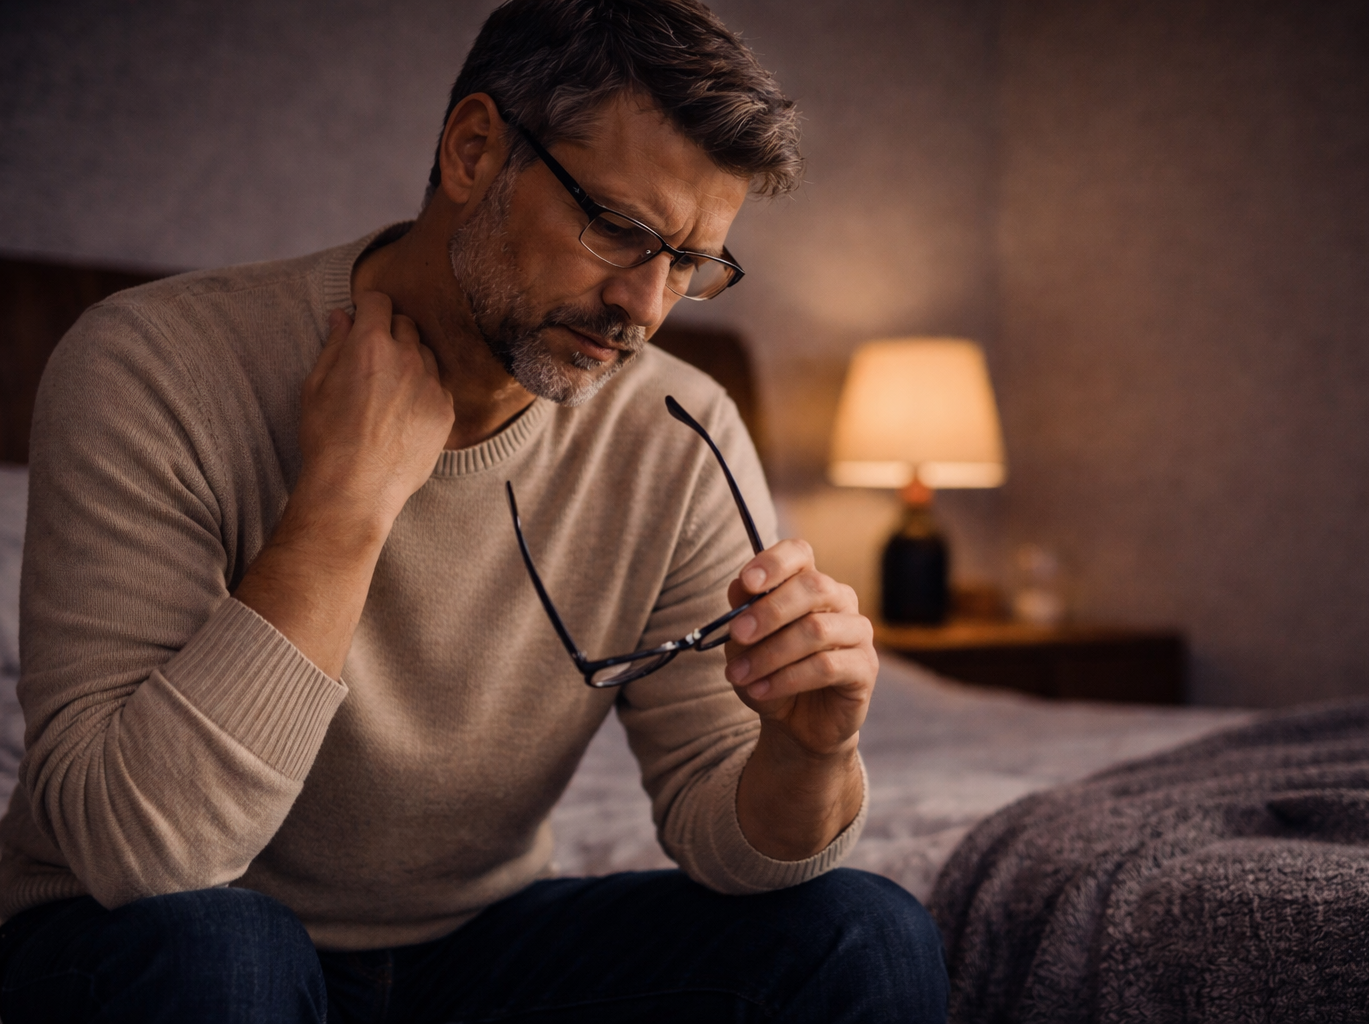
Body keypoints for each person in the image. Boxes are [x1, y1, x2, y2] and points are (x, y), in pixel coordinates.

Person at [0, 1, 949, 1020]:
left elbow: (731, 839)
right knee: (224, 950)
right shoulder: (153, 366)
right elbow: (135, 851)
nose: (646, 306)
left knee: (867, 932)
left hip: (475, 951)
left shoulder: (679, 427)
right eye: (620, 229)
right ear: (473, 150)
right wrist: (343, 508)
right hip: (162, 936)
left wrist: (810, 753)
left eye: (688, 262)